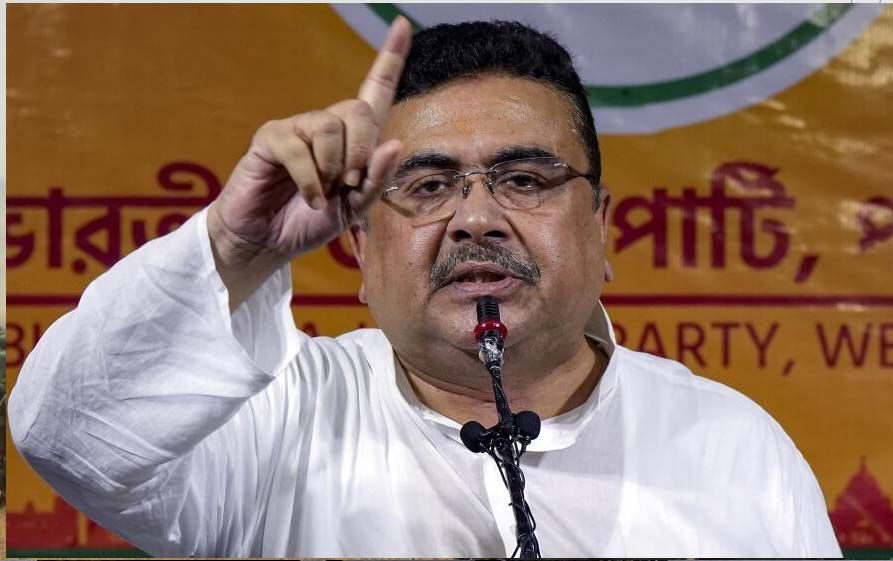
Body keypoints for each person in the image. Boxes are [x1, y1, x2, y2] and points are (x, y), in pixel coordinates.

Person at [9, 17, 842, 558]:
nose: (475, 218)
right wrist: (236, 247)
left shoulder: (732, 445)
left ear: (601, 228)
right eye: (429, 185)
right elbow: (64, 433)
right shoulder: (274, 418)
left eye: (524, 179)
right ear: (361, 247)